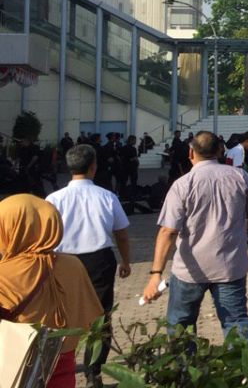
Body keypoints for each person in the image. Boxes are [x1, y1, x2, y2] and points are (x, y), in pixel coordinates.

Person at [140, 131, 248, 340]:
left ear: (190, 152)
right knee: (236, 323)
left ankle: (184, 369)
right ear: (219, 150)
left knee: (181, 326)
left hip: (189, 270)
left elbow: (168, 231)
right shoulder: (240, 177)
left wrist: (155, 274)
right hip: (230, 267)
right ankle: (244, 369)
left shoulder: (182, 185)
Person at [45, 144, 132, 388]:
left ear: (68, 167)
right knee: (99, 317)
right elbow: (121, 234)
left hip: (63, 262)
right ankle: (94, 372)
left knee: (62, 316)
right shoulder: (107, 196)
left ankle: (61, 367)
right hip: (99, 260)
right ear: (93, 166)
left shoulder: (53, 199)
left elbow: (45, 235)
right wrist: (125, 261)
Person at [0, 194, 104, 388]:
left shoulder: (3, 274)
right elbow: (91, 319)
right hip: (62, 364)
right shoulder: (73, 265)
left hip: (14, 370)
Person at [119, 134, 140, 200]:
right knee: (133, 181)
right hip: (132, 167)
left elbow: (121, 157)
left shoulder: (123, 148)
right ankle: (133, 194)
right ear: (131, 140)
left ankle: (122, 194)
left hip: (124, 167)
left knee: (123, 181)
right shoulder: (133, 149)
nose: (135, 141)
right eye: (135, 140)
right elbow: (134, 158)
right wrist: (136, 161)